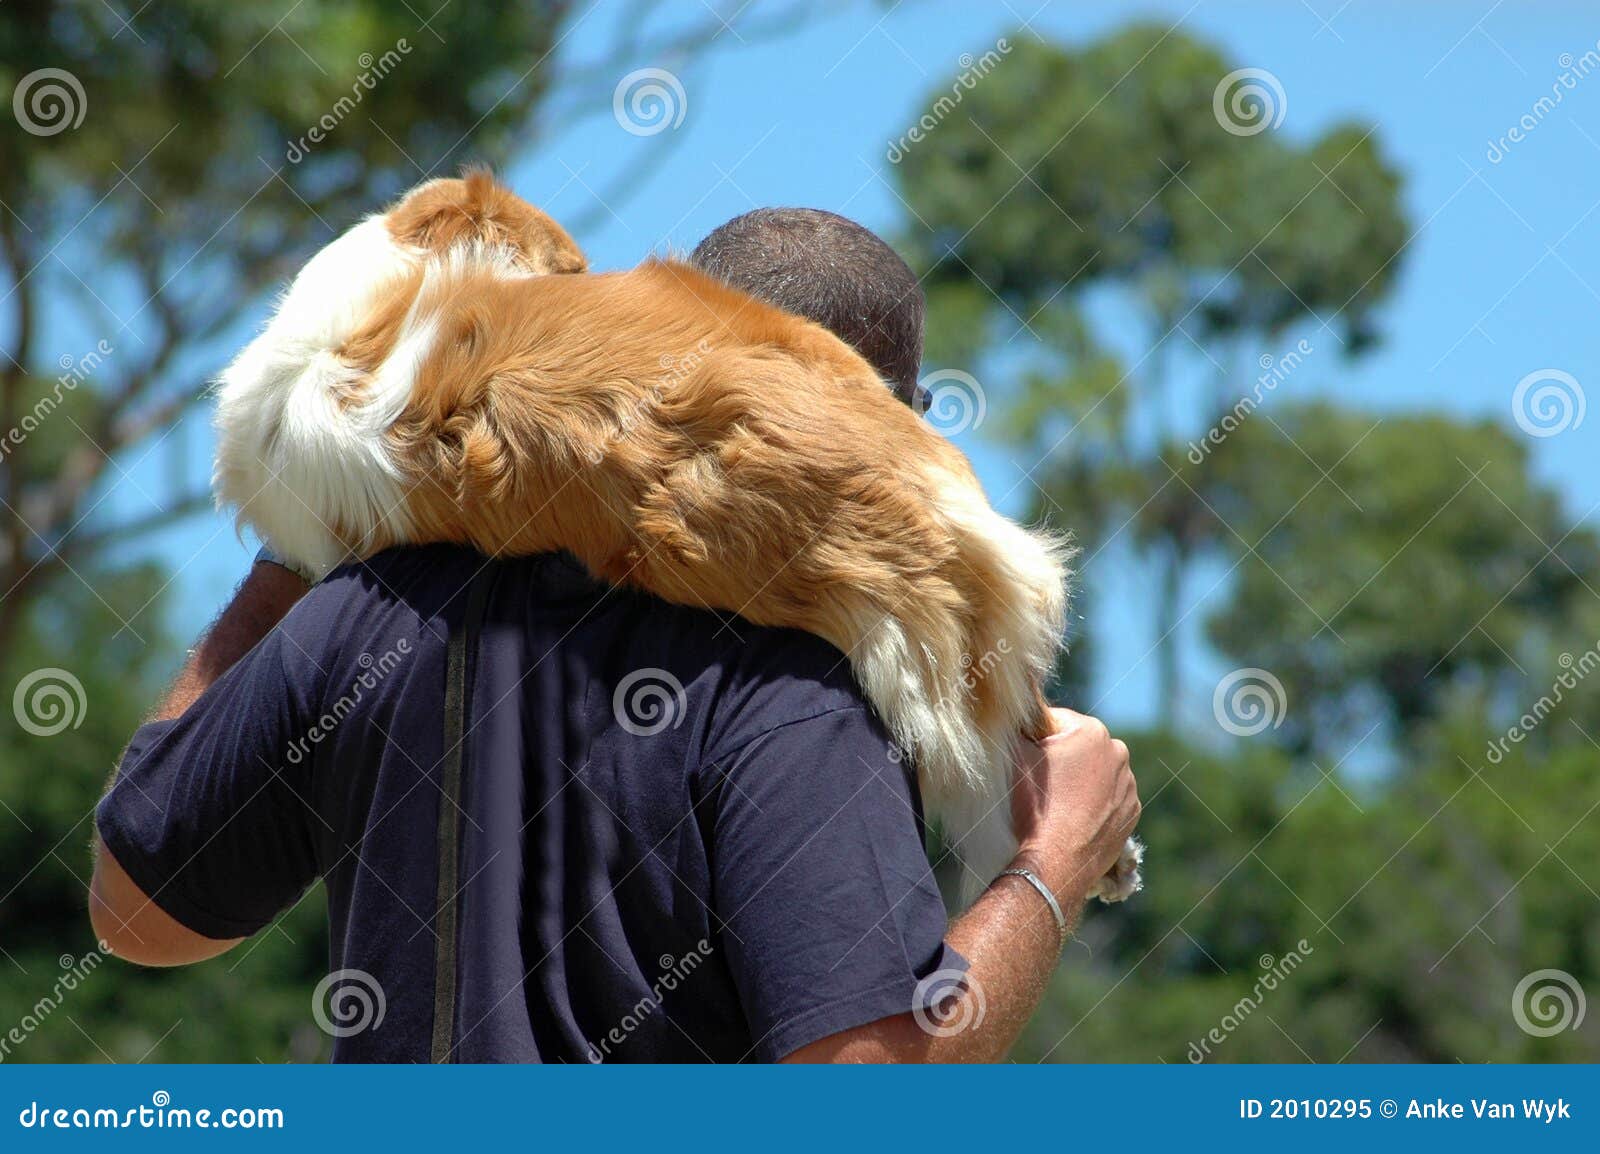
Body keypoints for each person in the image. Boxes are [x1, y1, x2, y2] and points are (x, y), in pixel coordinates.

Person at [89, 209, 1140, 1062]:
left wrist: (302, 536)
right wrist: (1046, 869)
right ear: (893, 426)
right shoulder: (793, 682)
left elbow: (137, 913)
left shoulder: (371, 606)